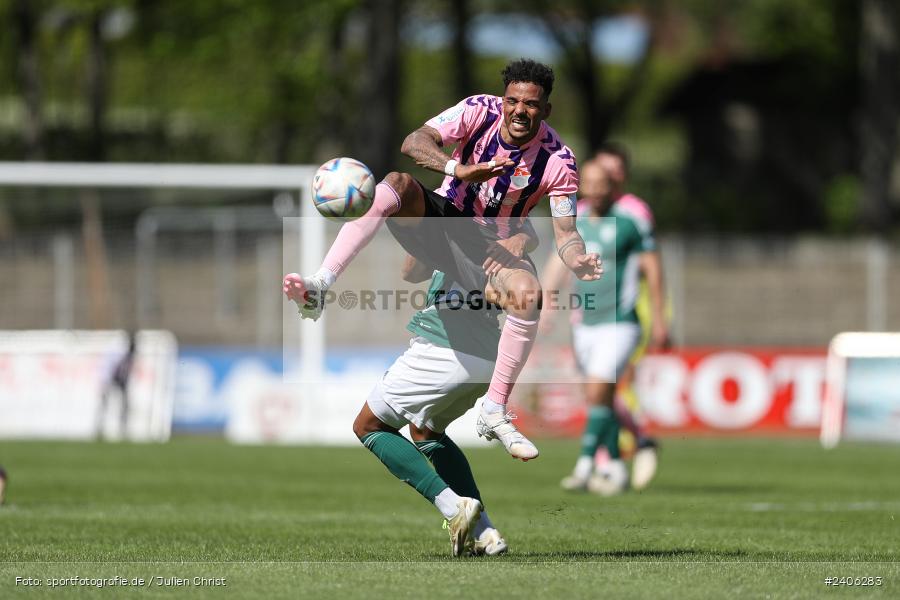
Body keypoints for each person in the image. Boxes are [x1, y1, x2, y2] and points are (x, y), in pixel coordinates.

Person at [284, 58, 601, 462]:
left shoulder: (560, 161)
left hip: (486, 246)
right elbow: (414, 142)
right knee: (396, 184)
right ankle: (320, 284)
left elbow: (567, 234)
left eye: (531, 104)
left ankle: (495, 409)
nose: (520, 110)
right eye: (513, 101)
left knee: (528, 294)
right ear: (503, 100)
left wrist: (577, 259)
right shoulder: (477, 110)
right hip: (444, 217)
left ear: (546, 110)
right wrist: (458, 169)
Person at [349, 241, 538, 556]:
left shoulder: (458, 230)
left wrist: (432, 230)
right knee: (426, 432)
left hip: (446, 347)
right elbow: (414, 274)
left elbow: (410, 269)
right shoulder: (503, 241)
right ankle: (486, 533)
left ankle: (453, 508)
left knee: (368, 426)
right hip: (487, 358)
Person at [541, 159, 665, 495]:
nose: (595, 190)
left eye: (601, 183)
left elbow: (653, 269)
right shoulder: (575, 218)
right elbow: (559, 260)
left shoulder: (630, 221)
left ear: (613, 186)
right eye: (589, 183)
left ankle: (584, 467)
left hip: (620, 322)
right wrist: (547, 302)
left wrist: (660, 319)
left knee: (599, 389)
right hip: (585, 322)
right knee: (599, 397)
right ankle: (615, 464)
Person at [595, 143, 671, 490]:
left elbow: (648, 263)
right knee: (600, 386)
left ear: (622, 174)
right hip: (594, 309)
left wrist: (659, 317)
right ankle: (619, 453)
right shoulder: (583, 209)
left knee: (609, 383)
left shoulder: (634, 211)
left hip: (629, 306)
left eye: (614, 171)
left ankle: (611, 458)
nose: (607, 177)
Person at [96, 332, 137, 440]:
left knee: (124, 406)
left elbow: (126, 372)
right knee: (105, 405)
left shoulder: (129, 354)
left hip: (120, 380)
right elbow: (110, 368)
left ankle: (123, 429)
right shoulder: (118, 352)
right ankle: (100, 428)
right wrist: (105, 382)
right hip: (110, 379)